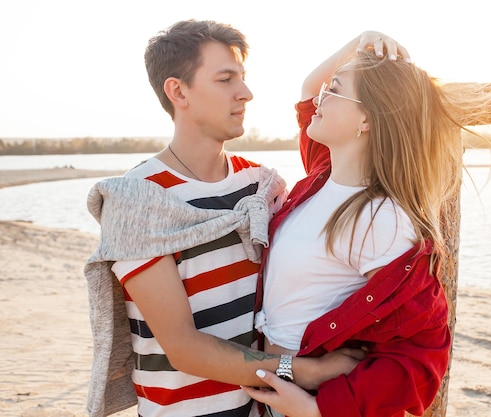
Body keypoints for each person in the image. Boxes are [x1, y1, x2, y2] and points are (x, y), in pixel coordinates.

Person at [83, 20, 403, 417]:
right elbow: (183, 348)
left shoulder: (262, 185)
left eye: (244, 77)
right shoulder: (138, 199)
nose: (246, 93)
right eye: (225, 79)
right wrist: (306, 370)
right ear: (178, 91)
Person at [242, 33, 491, 417]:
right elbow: (307, 92)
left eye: (334, 91)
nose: (320, 98)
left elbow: (421, 355)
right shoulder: (324, 175)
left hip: (306, 404)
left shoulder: (381, 219)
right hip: (275, 390)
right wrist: (358, 43)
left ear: (366, 119)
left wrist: (318, 411)